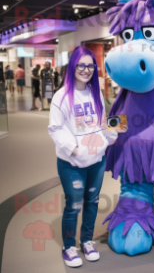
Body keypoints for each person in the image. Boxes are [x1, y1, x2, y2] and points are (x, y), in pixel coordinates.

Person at [48, 46, 128, 268]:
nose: (85, 70)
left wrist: (112, 135)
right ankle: (69, 246)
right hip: (71, 163)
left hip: (96, 161)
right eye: (81, 65)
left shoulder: (96, 94)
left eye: (90, 66)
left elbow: (102, 123)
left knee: (92, 202)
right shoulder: (61, 96)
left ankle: (86, 241)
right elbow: (55, 129)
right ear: (73, 66)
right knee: (73, 205)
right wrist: (74, 150)